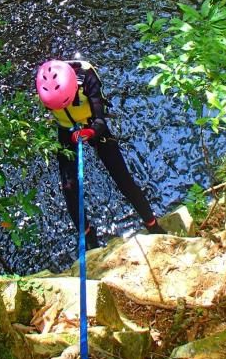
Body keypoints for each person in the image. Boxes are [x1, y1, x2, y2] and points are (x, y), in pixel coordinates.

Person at [36, 59, 166, 250]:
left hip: (92, 124)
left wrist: (91, 132)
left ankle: (152, 224)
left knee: (122, 178)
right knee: (69, 188)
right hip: (66, 130)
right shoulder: (44, 86)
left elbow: (100, 118)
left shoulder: (87, 78)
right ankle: (88, 235)